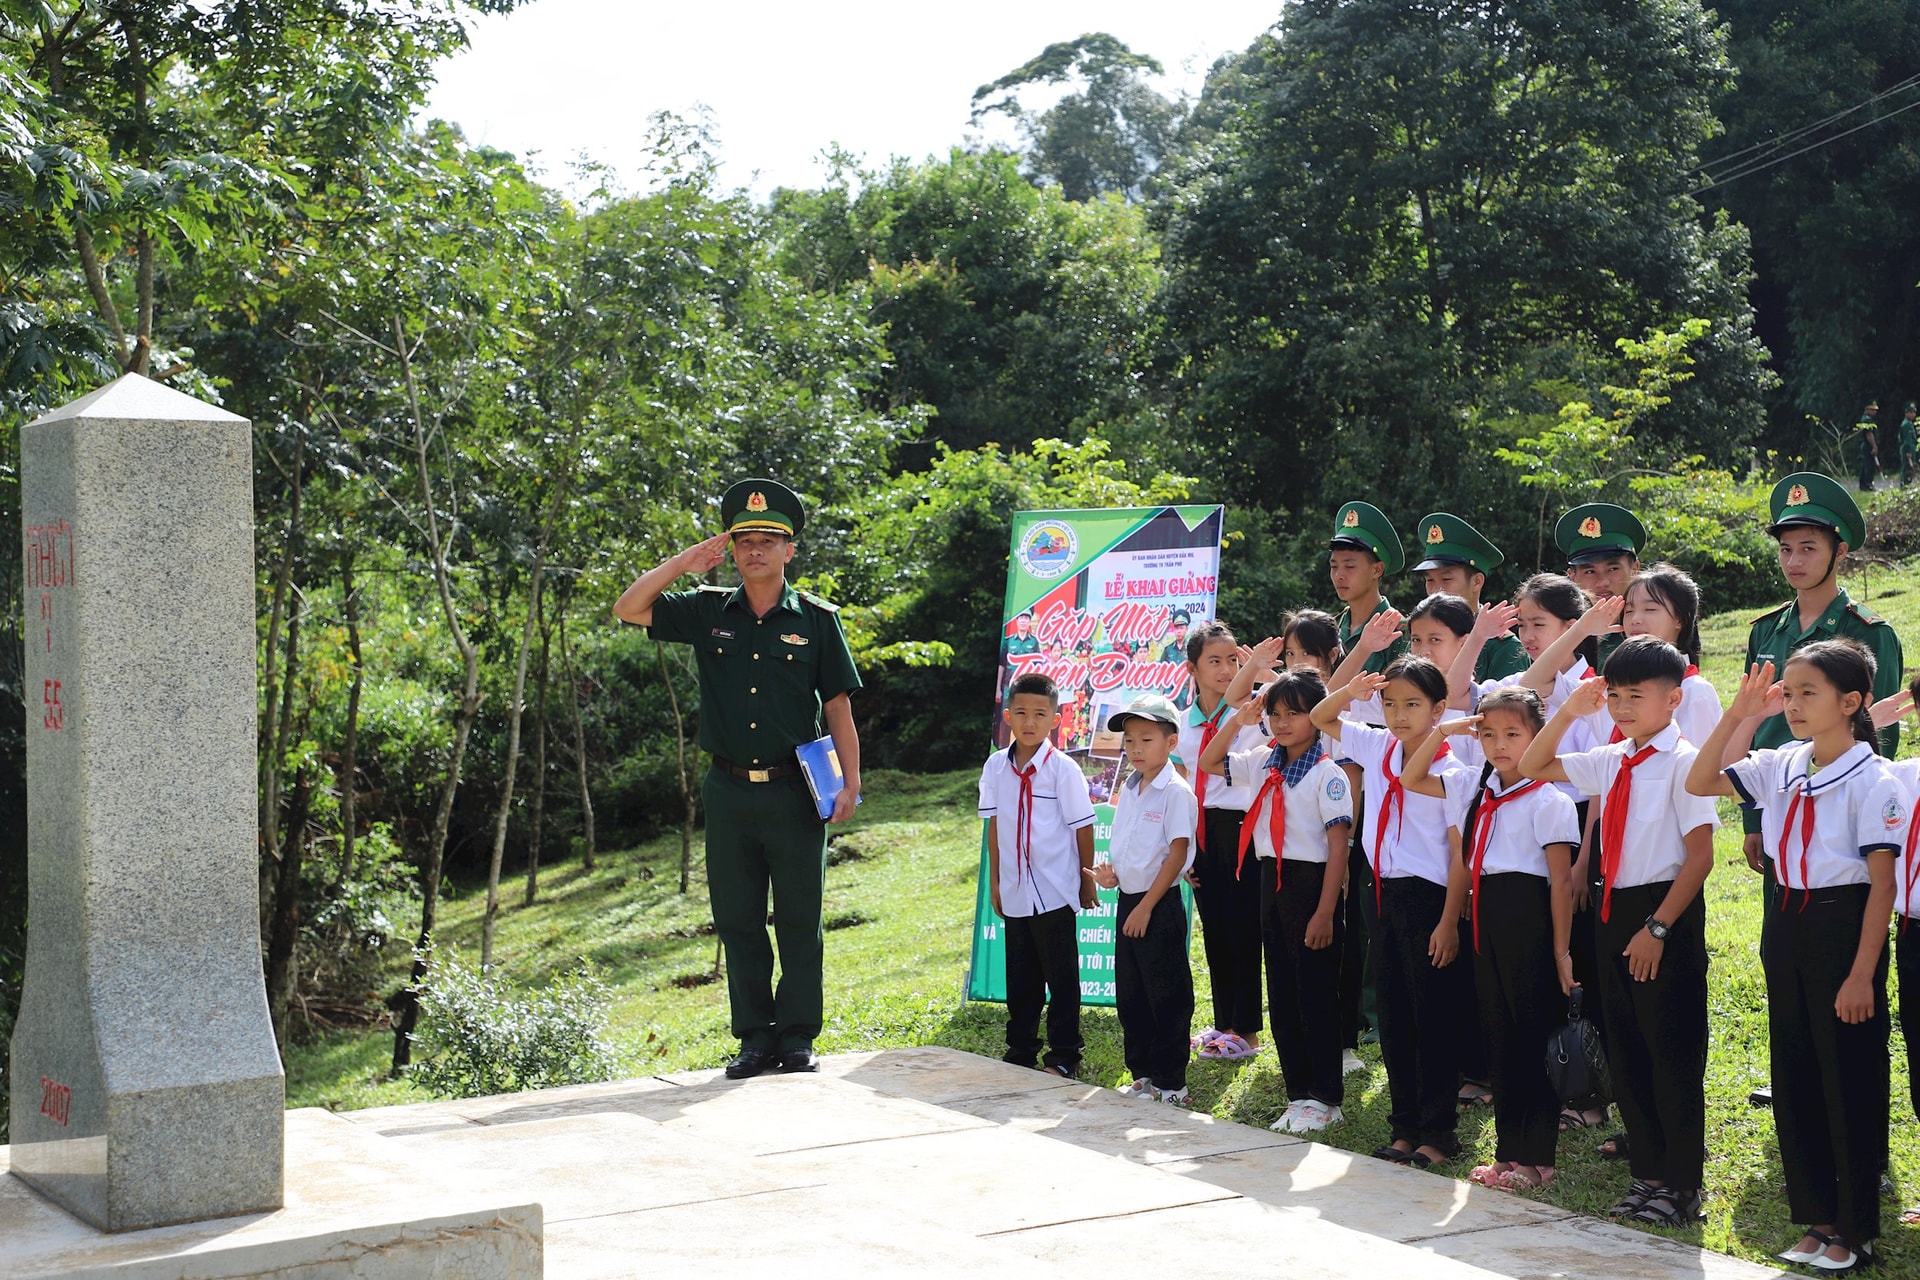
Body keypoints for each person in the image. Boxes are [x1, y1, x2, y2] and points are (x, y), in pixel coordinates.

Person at [612, 478, 862, 1080]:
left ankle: (797, 1034)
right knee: (739, 918)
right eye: (743, 539)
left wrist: (851, 783)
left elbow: (838, 709)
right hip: (726, 791)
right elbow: (628, 608)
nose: (755, 550)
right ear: (731, 547)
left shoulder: (818, 622)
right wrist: (686, 561)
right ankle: (754, 1038)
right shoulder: (706, 609)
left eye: (768, 540)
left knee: (799, 916)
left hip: (796, 790)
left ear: (789, 551)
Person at [1689, 645, 1902, 1272]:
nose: (1793, 703)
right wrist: (1741, 717)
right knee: (1796, 1072)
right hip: (1785, 916)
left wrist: (1863, 972)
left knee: (1850, 1077)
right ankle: (1816, 1219)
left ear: (1852, 702)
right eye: (1789, 692)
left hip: (1845, 925)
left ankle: (1856, 1230)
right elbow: (1700, 781)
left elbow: (1881, 888)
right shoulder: (1783, 762)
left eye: (1808, 692)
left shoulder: (1874, 780)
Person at [1519, 638, 1717, 1227]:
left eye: (1638, 695)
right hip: (1612, 910)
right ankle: (1648, 1175)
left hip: (1663, 912)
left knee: (1669, 1052)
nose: (1623, 707)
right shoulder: (1612, 757)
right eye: (1616, 696)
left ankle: (1682, 1186)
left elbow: (1701, 858)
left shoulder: (1685, 761)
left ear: (1674, 698)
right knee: (1627, 1050)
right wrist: (1570, 712)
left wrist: (1657, 927)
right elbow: (1532, 765)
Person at [1742, 474, 1904, 1106]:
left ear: (1839, 552)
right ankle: (1795, 1076)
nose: (1794, 560)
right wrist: (1756, 818)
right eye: (1786, 548)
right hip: (1780, 807)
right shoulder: (1766, 630)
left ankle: (1847, 1087)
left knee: (1843, 950)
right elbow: (1755, 726)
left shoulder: (1871, 630)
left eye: (1808, 547)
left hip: (1845, 814)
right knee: (1781, 946)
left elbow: (1876, 734)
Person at [1404, 686, 1579, 1192]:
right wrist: (1445, 731)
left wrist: (1562, 951)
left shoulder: (1550, 799)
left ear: (1538, 735)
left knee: (1531, 1039)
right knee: (1498, 1038)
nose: (1499, 745)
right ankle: (1506, 1153)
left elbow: (1561, 885)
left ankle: (1538, 1158)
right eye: (1488, 734)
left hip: (1530, 920)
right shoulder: (1471, 788)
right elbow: (1410, 776)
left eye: (1513, 734)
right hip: (1483, 919)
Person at [1312, 656, 1474, 1168]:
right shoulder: (1377, 743)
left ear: (1439, 709)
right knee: (1397, 1018)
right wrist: (1351, 690)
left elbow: (1458, 857)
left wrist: (1449, 921)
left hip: (1432, 900)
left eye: (1412, 705)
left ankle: (1438, 1135)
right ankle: (1403, 1128)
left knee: (1436, 1020)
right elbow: (1321, 717)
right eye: (1389, 703)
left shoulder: (1453, 770)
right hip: (1382, 893)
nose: (1399, 715)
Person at [1200, 670, 1354, 1134]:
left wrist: (1326, 911)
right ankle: (1298, 1093)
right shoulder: (1263, 761)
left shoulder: (1329, 773)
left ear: (1319, 716)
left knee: (1316, 992)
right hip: (1272, 880)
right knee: (1283, 991)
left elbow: (1338, 848)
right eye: (1275, 714)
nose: (1283, 722)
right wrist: (1237, 717)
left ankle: (1327, 1097)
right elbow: (1209, 762)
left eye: (1296, 713)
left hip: (1313, 885)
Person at [979, 671, 1098, 1078]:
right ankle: (1020, 1051)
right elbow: (994, 826)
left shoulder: (1062, 770)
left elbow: (1083, 826)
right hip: (1014, 890)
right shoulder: (996, 767)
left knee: (1062, 979)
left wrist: (1085, 879)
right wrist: (996, 879)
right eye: (1022, 713)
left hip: (1054, 890)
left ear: (1056, 719)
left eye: (1040, 714)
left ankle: (1064, 1055)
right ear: (1008, 715)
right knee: (1021, 978)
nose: (1030, 722)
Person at [1091, 694, 1198, 1106]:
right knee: (1132, 994)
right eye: (1130, 740)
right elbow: (1133, 846)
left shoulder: (1175, 792)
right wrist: (1113, 875)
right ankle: (1144, 1075)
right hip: (1129, 901)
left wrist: (1147, 906)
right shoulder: (1131, 786)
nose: (1135, 748)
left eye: (1146, 739)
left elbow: (1176, 852)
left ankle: (1172, 1084)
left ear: (1171, 743)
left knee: (1167, 994)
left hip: (1158, 906)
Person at [1176, 622, 1266, 1062]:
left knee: (1244, 928)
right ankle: (1224, 1021)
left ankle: (1247, 1032)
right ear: (1192, 667)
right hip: (1200, 829)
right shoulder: (1180, 724)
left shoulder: (1251, 712)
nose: (1227, 669)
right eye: (1215, 661)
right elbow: (1179, 787)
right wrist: (1186, 849)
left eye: (1234, 659)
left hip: (1243, 825)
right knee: (1214, 929)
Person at [1412, 513, 1526, 681]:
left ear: (1477, 582)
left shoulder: (1502, 647)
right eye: (1429, 580)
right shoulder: (1420, 635)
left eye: (1446, 579)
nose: (1436, 590)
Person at [1554, 502, 1646, 677]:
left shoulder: (1648, 627)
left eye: (1613, 569)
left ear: (1635, 569)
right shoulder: (1558, 631)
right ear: (1572, 577)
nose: (1602, 581)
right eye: (1590, 571)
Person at [1329, 501, 1409, 677]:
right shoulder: (1331, 628)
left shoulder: (1399, 632)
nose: (1339, 575)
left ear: (1377, 570)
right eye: (1334, 566)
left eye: (1350, 567)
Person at [1856, 401, 1881, 493]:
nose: (1875, 412)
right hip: (1868, 445)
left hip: (1867, 445)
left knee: (1865, 465)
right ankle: (1868, 484)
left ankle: (1863, 485)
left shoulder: (1867, 419)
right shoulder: (1867, 420)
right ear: (1867, 410)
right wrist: (1874, 446)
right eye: (1872, 410)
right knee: (1869, 466)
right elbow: (1869, 434)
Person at [1899, 402, 1917, 488]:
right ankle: (1905, 486)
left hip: (1910, 448)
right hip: (1907, 449)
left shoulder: (1909, 424)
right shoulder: (1906, 424)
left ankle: (1906, 484)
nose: (1913, 414)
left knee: (1910, 467)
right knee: (1907, 468)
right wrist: (1909, 451)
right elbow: (1907, 440)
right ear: (1906, 413)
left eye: (1914, 412)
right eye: (1910, 412)